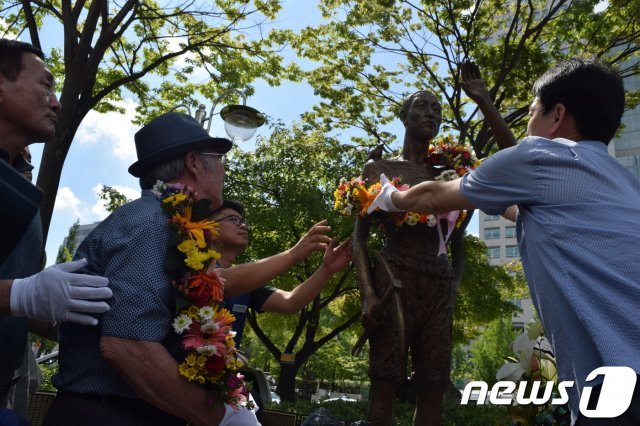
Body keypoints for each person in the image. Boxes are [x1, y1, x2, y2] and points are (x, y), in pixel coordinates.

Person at [368, 58, 640, 425]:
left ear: (557, 115)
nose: (528, 125)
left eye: (531, 113)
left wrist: (388, 196)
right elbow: (520, 201)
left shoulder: (542, 161)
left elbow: (430, 198)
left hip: (620, 385)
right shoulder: (625, 185)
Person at [45, 112, 331, 426]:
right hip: (107, 415)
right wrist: (223, 418)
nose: (223, 170)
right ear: (194, 163)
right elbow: (127, 344)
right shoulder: (152, 224)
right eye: (219, 158)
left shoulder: (175, 230)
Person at [0, 38, 112, 423]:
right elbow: (17, 294)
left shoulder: (17, 183)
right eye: (45, 84)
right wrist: (22, 293)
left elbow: (17, 300)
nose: (56, 101)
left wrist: (71, 324)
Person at [352, 90, 455, 426]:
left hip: (438, 283)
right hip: (393, 280)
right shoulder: (380, 168)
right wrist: (368, 294)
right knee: (384, 379)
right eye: (422, 107)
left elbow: (460, 240)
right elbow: (359, 238)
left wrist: (455, 283)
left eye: (437, 109)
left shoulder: (448, 175)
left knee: (433, 383)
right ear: (404, 116)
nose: (431, 114)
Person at [212, 199, 352, 347]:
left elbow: (289, 302)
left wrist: (326, 270)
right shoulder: (194, 264)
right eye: (233, 219)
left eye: (243, 221)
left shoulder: (245, 283)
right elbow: (223, 282)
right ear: (209, 227)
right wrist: (293, 254)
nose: (243, 225)